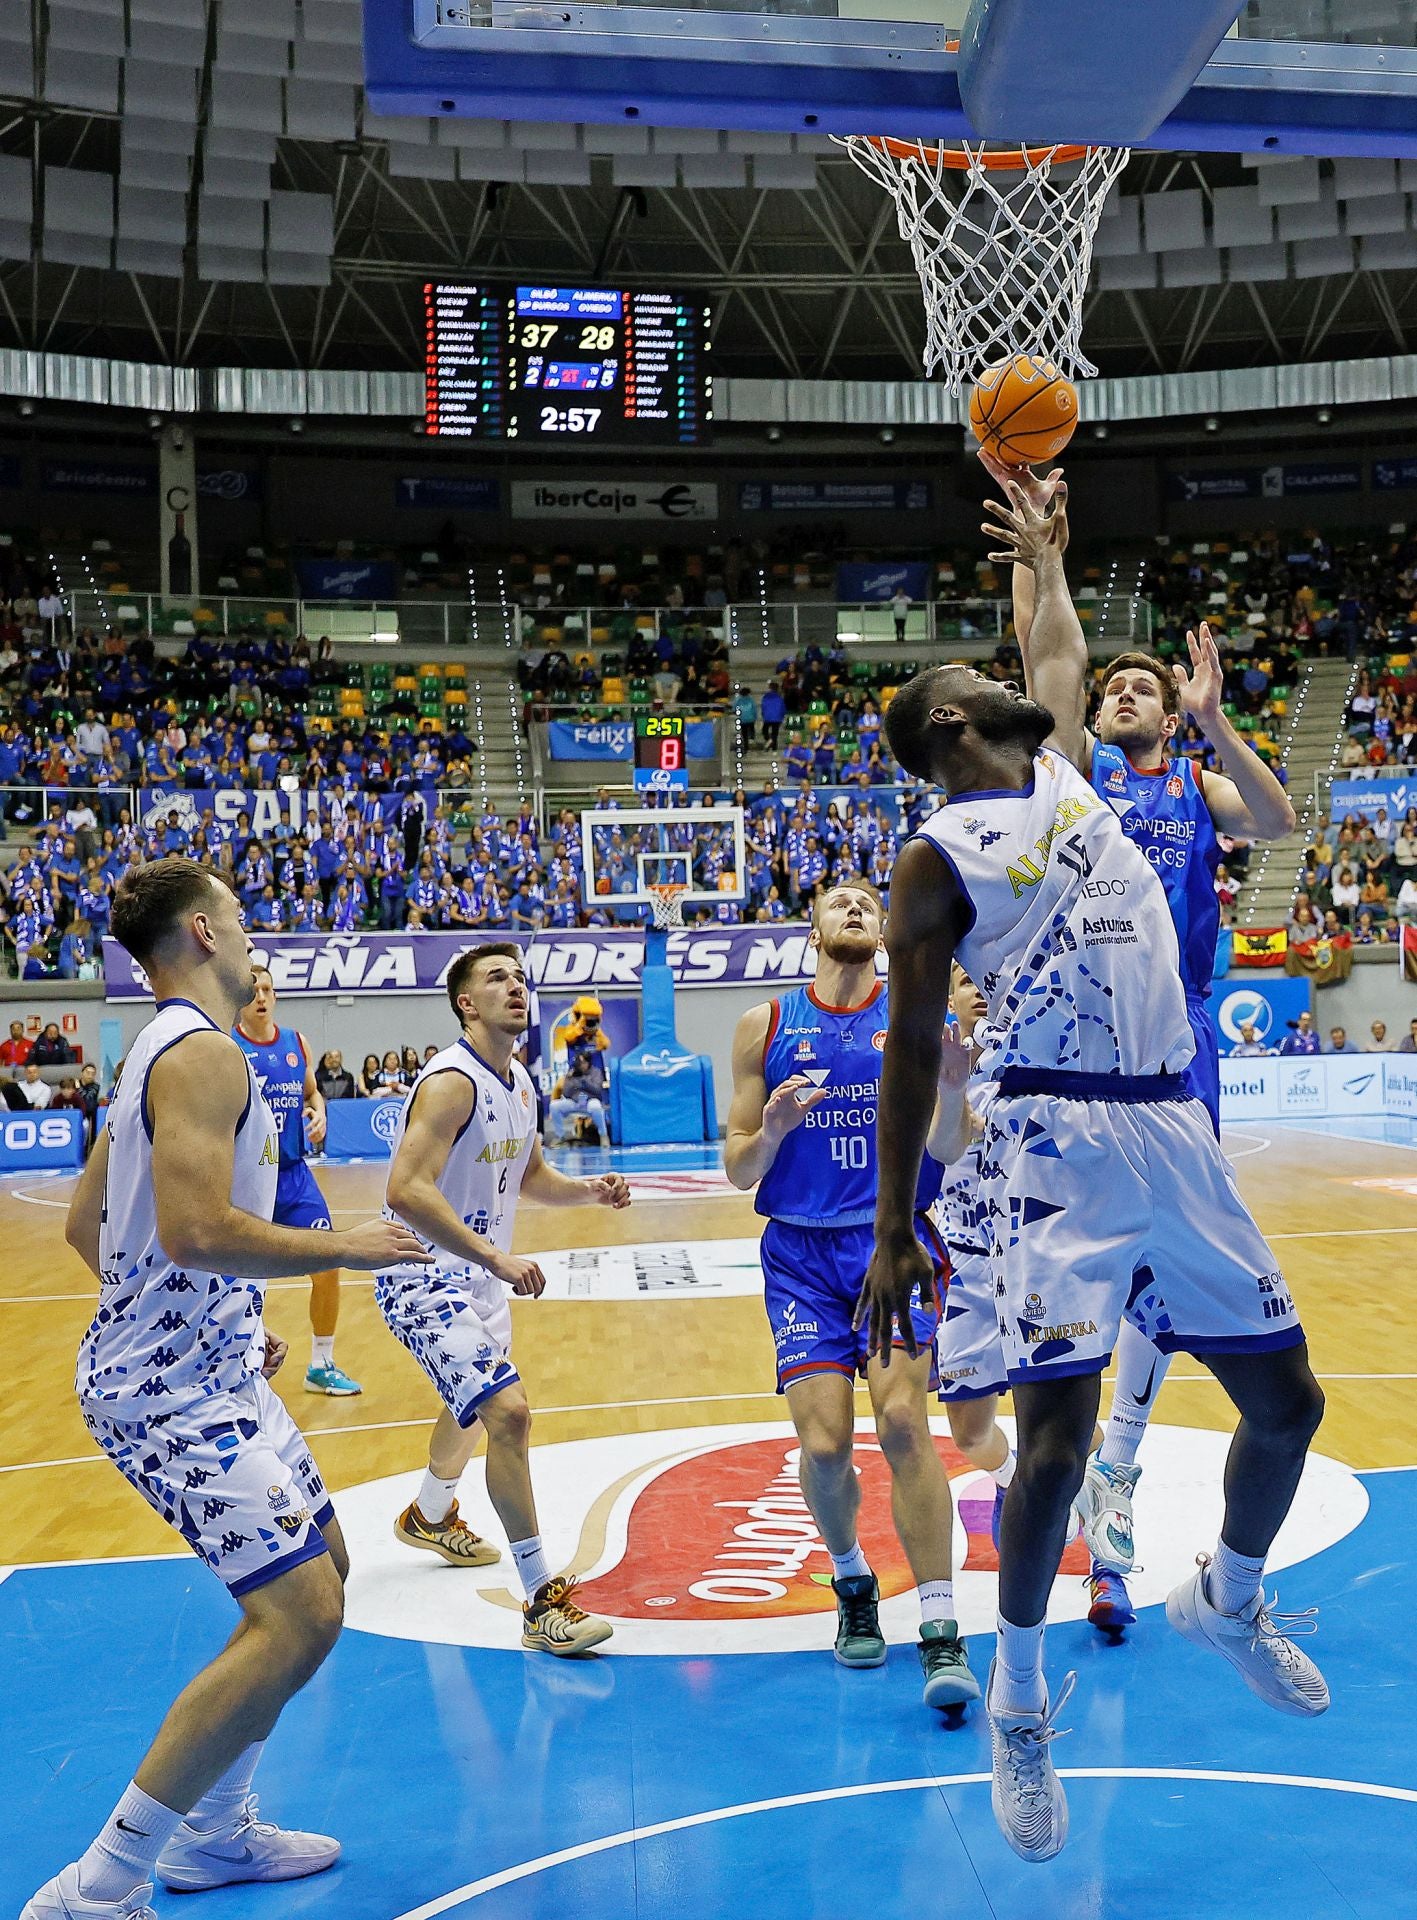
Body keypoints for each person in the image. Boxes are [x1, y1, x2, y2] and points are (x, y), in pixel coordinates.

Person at [861, 494, 1326, 1864]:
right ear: (952, 730)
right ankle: (1017, 1704)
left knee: (1287, 1403)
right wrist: (896, 1223)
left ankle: (1227, 1600)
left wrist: (1048, 549)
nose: (1004, 680)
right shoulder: (935, 859)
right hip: (1050, 1148)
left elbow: (1047, 632)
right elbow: (910, 1040)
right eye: (975, 684)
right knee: (1053, 1451)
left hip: (1170, 1128)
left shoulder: (1065, 774)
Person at [21, 858, 426, 1920]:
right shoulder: (203, 1056)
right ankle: (98, 1887)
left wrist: (209, 1323)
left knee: (325, 1568)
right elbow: (196, 1230)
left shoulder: (151, 1049)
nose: (255, 935)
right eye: (240, 919)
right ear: (201, 932)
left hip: (203, 1368)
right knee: (297, 1615)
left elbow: (87, 1231)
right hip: (167, 1393)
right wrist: (345, 1246)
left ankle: (219, 1836)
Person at [995, 455, 1299, 1633]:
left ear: (1169, 714)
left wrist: (1217, 721)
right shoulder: (1069, 782)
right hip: (1069, 1055)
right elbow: (1047, 664)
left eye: (1143, 686)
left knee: (1155, 1284)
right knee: (1085, 1284)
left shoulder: (1195, 786)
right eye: (1112, 683)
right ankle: (1079, 1475)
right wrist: (1040, 563)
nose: (1122, 691)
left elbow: (1277, 820)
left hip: (1172, 1063)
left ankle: (1111, 1485)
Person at [725, 882, 978, 1715]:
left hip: (890, 1244)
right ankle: (850, 1580)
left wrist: (950, 1083)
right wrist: (771, 1131)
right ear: (813, 928)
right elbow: (738, 1169)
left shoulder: (913, 1015)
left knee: (904, 1422)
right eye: (839, 900)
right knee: (826, 1445)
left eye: (870, 901)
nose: (856, 908)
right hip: (797, 1252)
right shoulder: (761, 1025)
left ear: (882, 931)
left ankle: (940, 1628)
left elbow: (948, 1144)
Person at [376, 942, 629, 1654]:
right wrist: (491, 1252)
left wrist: (587, 1190)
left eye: (519, 977)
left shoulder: (517, 1077)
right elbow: (404, 1190)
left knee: (474, 1410)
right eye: (496, 978)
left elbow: (529, 1173)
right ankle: (542, 1599)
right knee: (508, 1414)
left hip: (477, 1278)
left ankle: (429, 1514)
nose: (515, 987)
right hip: (420, 1272)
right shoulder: (451, 1082)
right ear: (466, 1002)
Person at [235, 969, 361, 1397]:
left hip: (293, 1176)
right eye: (254, 989)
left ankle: (322, 1363)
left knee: (328, 1264)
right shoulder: (227, 1045)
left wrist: (319, 1111)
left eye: (268, 989)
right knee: (242, 1280)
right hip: (248, 1180)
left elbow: (311, 1092)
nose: (262, 996)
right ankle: (236, 1362)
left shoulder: (297, 1043)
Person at [549, 1050, 607, 1146]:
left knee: (596, 1107)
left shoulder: (596, 1072)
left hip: (589, 1101)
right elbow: (566, 1093)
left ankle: (603, 1135)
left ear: (588, 1062)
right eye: (579, 1063)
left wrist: (584, 1081)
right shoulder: (572, 1073)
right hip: (574, 1101)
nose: (581, 1065)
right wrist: (570, 1080)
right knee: (554, 1106)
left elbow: (597, 1090)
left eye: (583, 1062)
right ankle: (560, 1136)